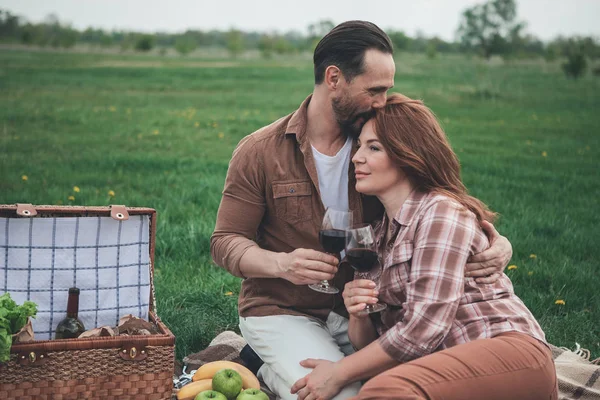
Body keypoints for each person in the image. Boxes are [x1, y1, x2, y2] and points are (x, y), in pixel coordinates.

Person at [211, 21, 513, 400]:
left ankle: (266, 367)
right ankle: (272, 363)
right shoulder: (260, 151)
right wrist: (282, 265)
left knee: (395, 387)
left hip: (363, 315)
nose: (384, 101)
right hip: (284, 309)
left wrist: (497, 241)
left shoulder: (377, 142)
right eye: (375, 90)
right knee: (344, 395)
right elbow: (224, 241)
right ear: (334, 78)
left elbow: (439, 202)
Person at [290, 94, 557, 400]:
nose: (357, 157)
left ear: (408, 155)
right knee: (381, 388)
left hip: (508, 356)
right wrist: (358, 315)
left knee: (384, 390)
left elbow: (423, 329)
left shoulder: (440, 212)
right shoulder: (374, 236)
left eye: (373, 147)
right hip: (442, 374)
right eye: (360, 145)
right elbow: (376, 345)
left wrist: (340, 371)